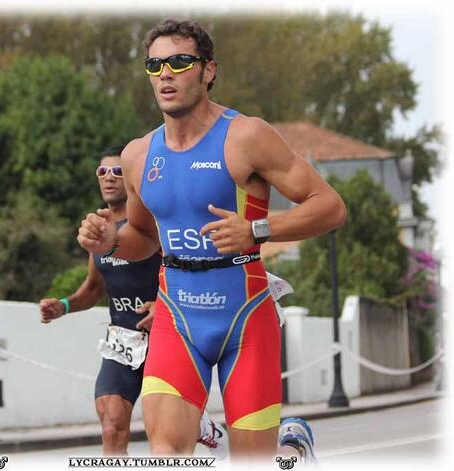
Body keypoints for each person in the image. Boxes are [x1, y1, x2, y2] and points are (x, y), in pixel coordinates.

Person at [77, 20, 347, 464]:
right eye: (155, 65)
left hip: (245, 316)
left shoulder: (247, 136)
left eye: (180, 62)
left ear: (208, 70)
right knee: (166, 453)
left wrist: (257, 230)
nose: (166, 73)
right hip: (177, 316)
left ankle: (292, 448)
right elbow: (142, 237)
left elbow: (330, 206)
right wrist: (110, 242)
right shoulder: (138, 155)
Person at [40, 145, 228, 457]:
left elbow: (187, 272)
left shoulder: (151, 227)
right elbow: (94, 287)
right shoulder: (101, 232)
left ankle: (204, 430)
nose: (109, 177)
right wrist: (64, 305)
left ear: (130, 179)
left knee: (170, 433)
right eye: (102, 171)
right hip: (123, 340)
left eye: (118, 171)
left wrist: (163, 305)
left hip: (165, 336)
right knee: (111, 423)